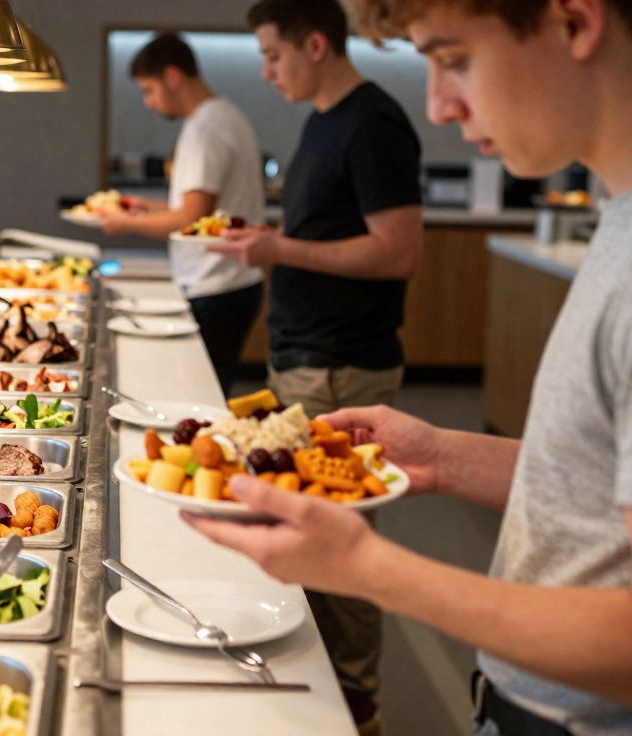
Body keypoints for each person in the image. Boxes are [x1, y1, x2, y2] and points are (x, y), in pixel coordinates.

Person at [187, 0, 632, 734]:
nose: (439, 104)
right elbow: (626, 490)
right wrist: (444, 457)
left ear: (574, 21)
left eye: (453, 59)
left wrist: (369, 570)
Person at [207, 2, 424, 730]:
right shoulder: (324, 120)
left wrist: (279, 251)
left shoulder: (373, 122)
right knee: (310, 545)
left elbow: (398, 251)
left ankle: (358, 710)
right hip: (308, 354)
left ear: (317, 42)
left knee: (339, 550)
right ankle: (323, 703)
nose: (266, 72)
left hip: (341, 366)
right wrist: (273, 240)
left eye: (273, 55)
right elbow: (330, 233)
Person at [99, 32, 266, 394]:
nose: (148, 102)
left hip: (215, 283)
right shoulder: (225, 115)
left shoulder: (205, 127)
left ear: (172, 76)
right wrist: (148, 208)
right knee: (209, 386)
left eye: (149, 90)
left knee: (200, 393)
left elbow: (189, 219)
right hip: (232, 281)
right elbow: (206, 213)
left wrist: (126, 223)